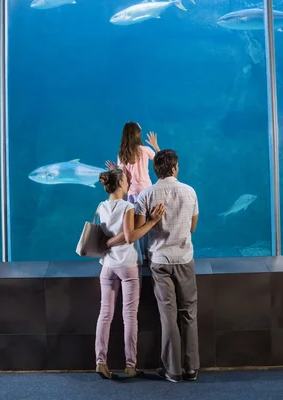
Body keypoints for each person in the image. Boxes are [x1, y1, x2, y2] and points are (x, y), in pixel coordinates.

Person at [134, 149, 200, 383]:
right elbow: (192, 227)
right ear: (174, 168)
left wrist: (155, 220)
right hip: (184, 259)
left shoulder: (146, 195)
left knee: (167, 316)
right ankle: (191, 368)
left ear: (155, 169)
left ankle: (172, 371)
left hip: (160, 262)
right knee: (188, 313)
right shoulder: (189, 192)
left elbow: (139, 231)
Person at [94, 168, 166, 380]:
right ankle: (130, 365)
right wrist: (152, 221)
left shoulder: (101, 206)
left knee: (105, 314)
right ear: (121, 184)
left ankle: (100, 361)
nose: (129, 182)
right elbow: (129, 236)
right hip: (127, 264)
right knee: (129, 316)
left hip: (107, 264)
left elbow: (104, 236)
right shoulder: (127, 206)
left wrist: (108, 243)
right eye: (126, 179)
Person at [105, 121, 161, 262]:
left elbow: (123, 177)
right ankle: (152, 254)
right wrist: (154, 144)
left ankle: (140, 256)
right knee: (151, 223)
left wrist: (114, 170)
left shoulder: (122, 154)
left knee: (136, 227)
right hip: (147, 192)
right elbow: (161, 160)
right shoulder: (144, 149)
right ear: (138, 135)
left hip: (131, 195)